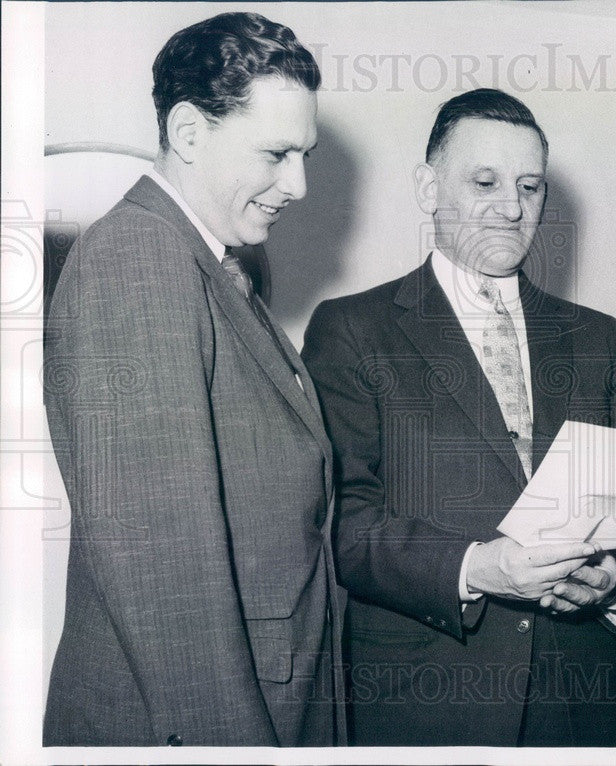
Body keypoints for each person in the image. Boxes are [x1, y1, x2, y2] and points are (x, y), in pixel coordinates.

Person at [302, 88, 616, 746]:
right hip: (431, 703)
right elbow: (342, 525)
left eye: (530, 185)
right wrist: (478, 567)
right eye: (485, 181)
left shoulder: (601, 338)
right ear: (429, 187)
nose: (512, 208)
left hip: (590, 705)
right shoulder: (352, 330)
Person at [43, 12, 346, 746]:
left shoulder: (208, 267)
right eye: (275, 154)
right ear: (187, 133)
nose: (298, 184)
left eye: (302, 155)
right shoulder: (138, 261)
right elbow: (165, 573)